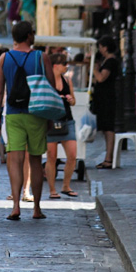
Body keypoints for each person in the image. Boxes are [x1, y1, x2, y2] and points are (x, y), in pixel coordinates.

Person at [0, 21, 55, 220]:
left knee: (15, 160)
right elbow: (51, 88)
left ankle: (16, 206)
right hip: (36, 113)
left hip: (13, 114)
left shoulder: (5, 58)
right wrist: (51, 117)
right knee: (35, 160)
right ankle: (36, 208)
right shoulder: (41, 57)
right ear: (29, 36)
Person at [45, 52, 79, 198]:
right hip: (50, 121)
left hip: (67, 120)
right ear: (55, 65)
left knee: (72, 155)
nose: (66, 66)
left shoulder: (67, 80)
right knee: (51, 157)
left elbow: (74, 101)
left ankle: (66, 186)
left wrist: (70, 99)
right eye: (64, 63)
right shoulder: (46, 81)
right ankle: (52, 189)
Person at [93, 35, 121, 169]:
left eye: (100, 47)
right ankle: (108, 158)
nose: (100, 50)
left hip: (107, 98)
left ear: (105, 47)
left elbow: (101, 78)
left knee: (108, 128)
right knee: (105, 128)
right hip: (104, 97)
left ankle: (109, 159)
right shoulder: (106, 61)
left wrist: (93, 68)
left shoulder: (110, 62)